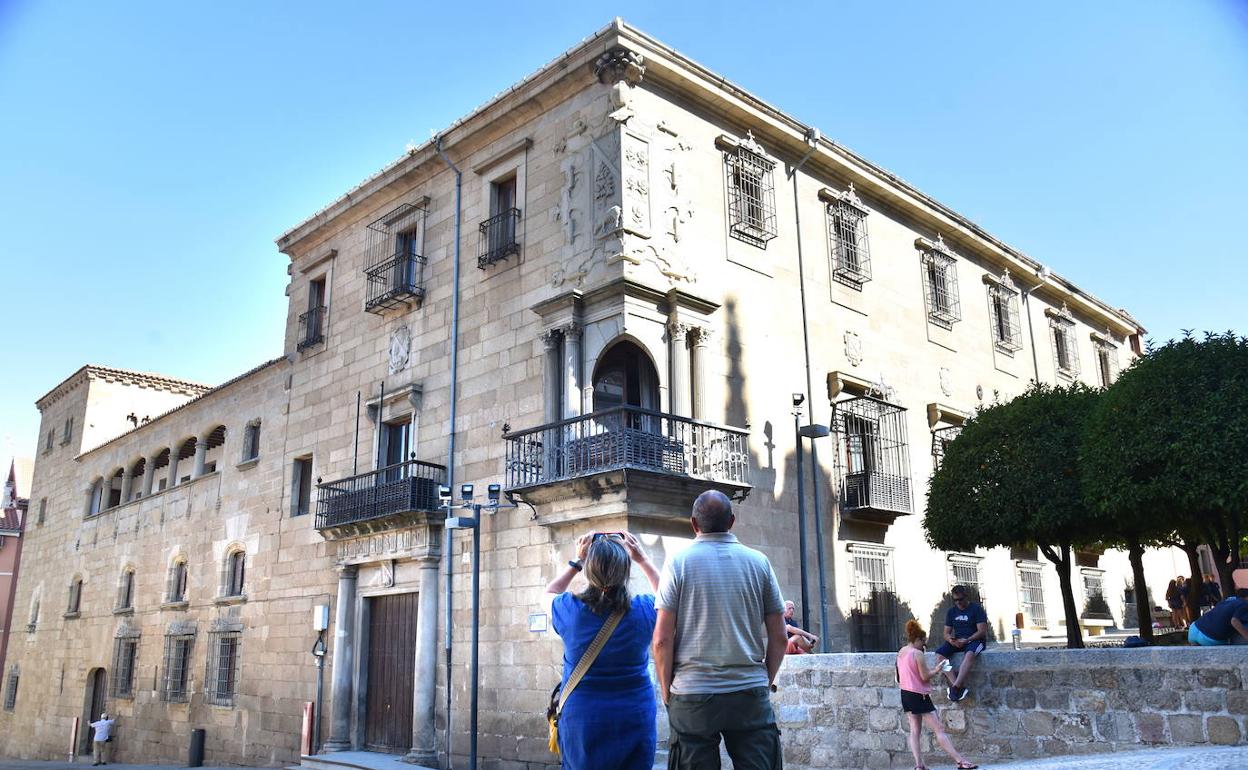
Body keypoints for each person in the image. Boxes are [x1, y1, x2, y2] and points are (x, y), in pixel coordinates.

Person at [653, 490, 788, 770]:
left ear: (693, 524)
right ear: (732, 521)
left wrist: (667, 691)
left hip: (692, 695)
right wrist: (764, 681)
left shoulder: (677, 563)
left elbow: (662, 640)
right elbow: (779, 637)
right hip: (748, 693)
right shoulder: (759, 562)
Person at [544, 531, 661, 770]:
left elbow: (548, 593)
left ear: (588, 571)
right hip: (634, 713)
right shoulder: (644, 609)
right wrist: (643, 559)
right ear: (626, 571)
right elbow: (669, 596)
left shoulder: (570, 610)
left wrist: (577, 561)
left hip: (583, 717)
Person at [897, 620, 977, 770]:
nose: (924, 646)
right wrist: (938, 668)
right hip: (919, 695)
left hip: (905, 694)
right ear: (918, 639)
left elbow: (899, 676)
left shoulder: (901, 651)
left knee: (914, 730)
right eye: (923, 642)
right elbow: (925, 676)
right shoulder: (917, 654)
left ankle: (919, 765)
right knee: (939, 729)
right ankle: (960, 761)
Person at [932, 585, 988, 703]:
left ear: (966, 597)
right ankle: (957, 686)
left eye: (960, 599)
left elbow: (982, 631)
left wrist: (967, 640)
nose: (958, 603)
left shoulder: (976, 609)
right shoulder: (951, 612)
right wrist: (951, 640)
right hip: (957, 641)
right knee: (939, 657)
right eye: (955, 600)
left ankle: (955, 688)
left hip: (974, 640)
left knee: (969, 655)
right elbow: (946, 633)